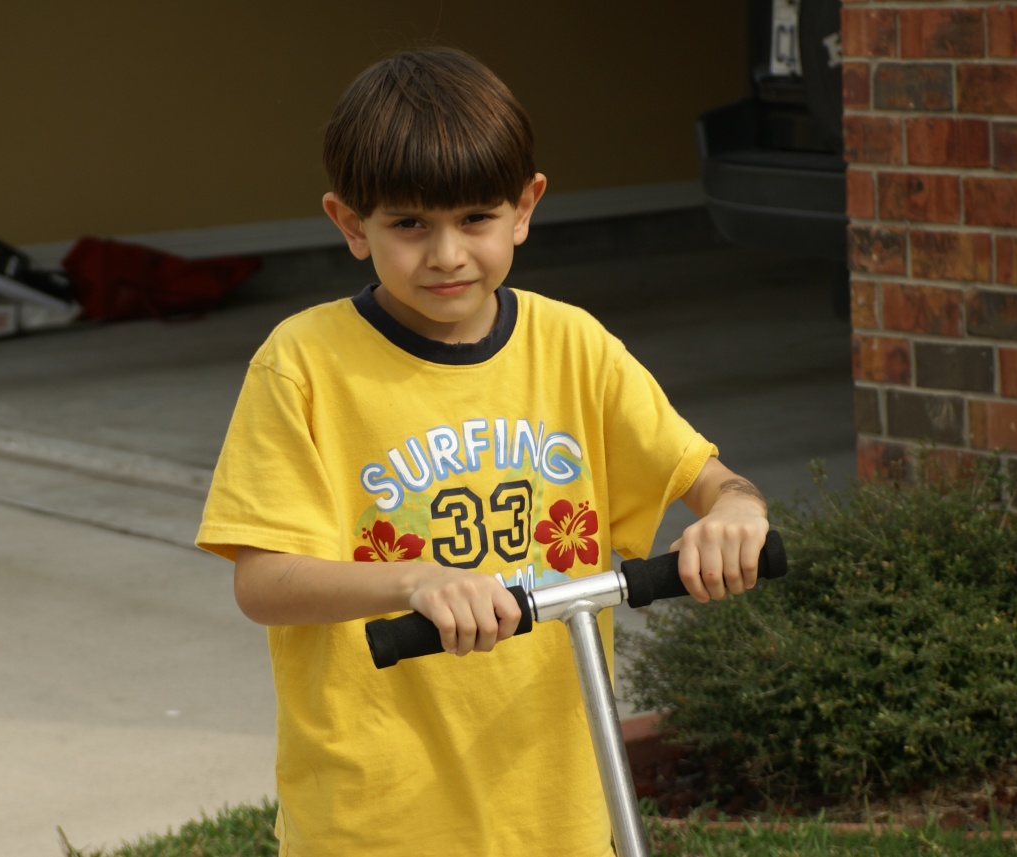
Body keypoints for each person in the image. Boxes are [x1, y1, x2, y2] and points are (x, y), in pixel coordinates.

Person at [196, 46, 769, 857]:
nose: (448, 255)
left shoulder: (575, 348)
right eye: (408, 225)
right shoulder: (303, 364)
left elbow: (712, 480)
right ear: (350, 224)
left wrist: (734, 513)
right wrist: (415, 579)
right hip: (378, 815)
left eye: (475, 218)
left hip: (558, 802)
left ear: (525, 207)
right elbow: (261, 580)